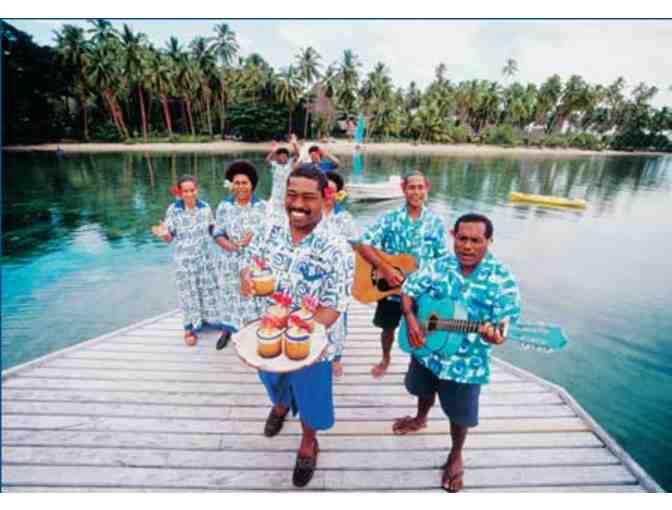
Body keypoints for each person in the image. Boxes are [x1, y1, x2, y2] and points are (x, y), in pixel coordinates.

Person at [240, 164, 354, 488]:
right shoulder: (269, 231)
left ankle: (308, 442)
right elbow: (249, 263)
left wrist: (298, 334)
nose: (298, 204)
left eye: (308, 197)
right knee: (272, 378)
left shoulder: (337, 249)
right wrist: (246, 277)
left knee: (311, 397)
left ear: (325, 198)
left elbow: (334, 305)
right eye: (292, 195)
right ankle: (280, 405)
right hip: (267, 331)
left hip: (311, 342)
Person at [396, 213, 521, 492]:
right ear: (453, 237)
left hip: (466, 364)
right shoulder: (439, 265)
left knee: (460, 414)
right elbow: (409, 289)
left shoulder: (502, 280)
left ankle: (455, 454)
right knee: (422, 389)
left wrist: (495, 335)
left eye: (476, 240)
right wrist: (411, 318)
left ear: (489, 241)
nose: (467, 246)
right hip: (426, 349)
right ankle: (420, 418)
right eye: (462, 239)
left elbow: (504, 324)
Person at [354, 169, 448, 378]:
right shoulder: (390, 218)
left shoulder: (436, 222)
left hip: (421, 292)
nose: (416, 192)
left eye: (420, 187)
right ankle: (385, 358)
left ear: (427, 188)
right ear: (403, 189)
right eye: (411, 187)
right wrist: (385, 268)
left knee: (422, 329)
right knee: (387, 328)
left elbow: (441, 258)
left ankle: (416, 367)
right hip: (391, 289)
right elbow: (363, 245)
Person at [151, 175, 225, 346]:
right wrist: (164, 234)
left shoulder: (205, 207)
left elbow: (213, 229)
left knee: (209, 290)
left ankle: (210, 320)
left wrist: (227, 236)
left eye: (192, 190)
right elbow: (169, 238)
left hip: (205, 259)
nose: (189, 194)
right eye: (185, 191)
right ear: (180, 192)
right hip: (184, 261)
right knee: (188, 293)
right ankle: (189, 328)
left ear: (196, 190)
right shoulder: (173, 210)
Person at [212, 160, 268, 350]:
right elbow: (217, 232)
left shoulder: (263, 206)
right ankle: (227, 330)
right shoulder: (224, 206)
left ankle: (254, 330)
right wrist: (230, 246)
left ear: (252, 184)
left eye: (245, 182)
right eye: (236, 183)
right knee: (229, 294)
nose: (240, 187)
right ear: (231, 184)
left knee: (253, 296)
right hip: (229, 259)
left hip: (255, 260)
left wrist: (255, 236)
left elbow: (271, 233)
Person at [321, 170, 360, 378]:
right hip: (313, 276)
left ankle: (336, 357)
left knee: (338, 317)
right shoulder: (311, 212)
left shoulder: (344, 217)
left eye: (332, 191)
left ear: (338, 194)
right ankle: (316, 351)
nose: (328, 195)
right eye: (324, 190)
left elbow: (354, 246)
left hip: (338, 276)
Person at [265, 134, 300, 217]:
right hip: (275, 194)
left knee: (287, 213)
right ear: (277, 157)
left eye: (285, 156)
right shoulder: (274, 165)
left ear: (287, 157)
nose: (283, 158)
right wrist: (273, 150)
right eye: (281, 156)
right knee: (272, 214)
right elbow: (267, 160)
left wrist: (294, 144)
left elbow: (298, 155)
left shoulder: (290, 164)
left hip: (287, 193)